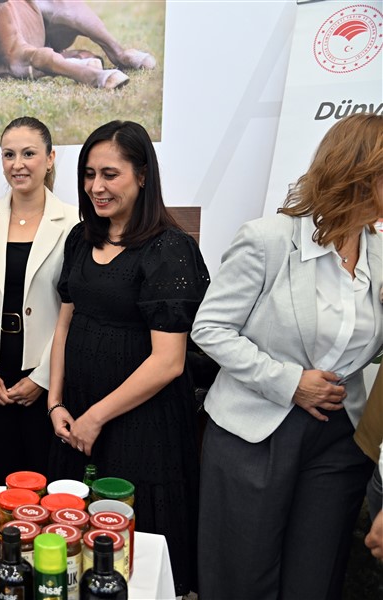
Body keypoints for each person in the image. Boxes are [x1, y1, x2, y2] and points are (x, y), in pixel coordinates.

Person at [191, 113, 383, 599]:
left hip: (338, 437)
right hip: (254, 432)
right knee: (242, 578)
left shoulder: (380, 252)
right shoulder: (269, 239)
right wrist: (289, 381)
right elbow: (210, 329)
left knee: (314, 581)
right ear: (361, 174)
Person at [47, 120, 209, 596]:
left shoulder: (170, 250)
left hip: (144, 427)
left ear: (142, 175)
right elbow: (64, 325)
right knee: (73, 549)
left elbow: (169, 362)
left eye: (110, 174)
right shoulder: (81, 237)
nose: (96, 186)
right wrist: (56, 403)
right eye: (89, 174)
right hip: (75, 419)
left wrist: (95, 417)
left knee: (135, 556)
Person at [0, 117, 77, 484]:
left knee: (43, 480)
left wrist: (42, 379)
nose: (17, 164)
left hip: (46, 375)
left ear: (50, 158)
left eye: (28, 154)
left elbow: (72, 311)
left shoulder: (74, 221)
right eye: (9, 155)